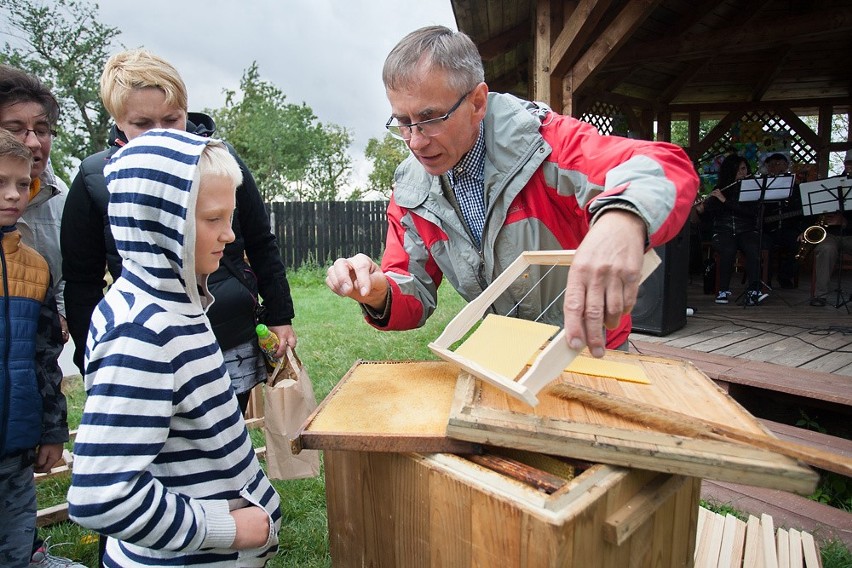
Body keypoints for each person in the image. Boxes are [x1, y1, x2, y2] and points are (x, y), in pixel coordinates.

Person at [325, 26, 697, 357]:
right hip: (505, 358)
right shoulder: (411, 191)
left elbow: (665, 167)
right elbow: (413, 293)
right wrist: (377, 293)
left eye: (430, 119)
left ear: (477, 102)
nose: (416, 142)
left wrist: (622, 219)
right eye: (403, 123)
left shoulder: (545, 145)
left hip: (592, 356)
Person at [67, 129, 281, 566]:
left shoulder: (181, 303)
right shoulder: (142, 332)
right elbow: (100, 496)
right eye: (212, 219)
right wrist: (223, 528)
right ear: (159, 220)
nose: (229, 235)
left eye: (231, 218)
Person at [61, 49, 295, 413]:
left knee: (223, 435)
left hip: (229, 333)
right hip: (149, 348)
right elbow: (80, 280)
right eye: (143, 124)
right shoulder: (95, 179)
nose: (161, 135)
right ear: (119, 120)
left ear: (186, 111)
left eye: (172, 119)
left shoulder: (221, 163)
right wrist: (90, 358)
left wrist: (280, 316)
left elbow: (262, 242)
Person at [0, 64, 84, 568]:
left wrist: (51, 428)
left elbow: (45, 343)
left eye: (43, 129)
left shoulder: (56, 199)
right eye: (16, 128)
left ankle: (26, 551)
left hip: (19, 415)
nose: (33, 141)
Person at [700, 153, 766, 306]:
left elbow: (751, 213)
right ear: (731, 171)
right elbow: (710, 216)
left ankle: (754, 290)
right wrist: (701, 209)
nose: (744, 173)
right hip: (724, 230)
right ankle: (723, 290)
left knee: (753, 247)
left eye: (745, 169)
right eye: (739, 170)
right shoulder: (720, 188)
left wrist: (725, 201)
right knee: (727, 250)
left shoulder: (752, 189)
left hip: (746, 229)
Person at [809, 149, 852, 306]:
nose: (850, 166)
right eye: (848, 163)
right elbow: (814, 209)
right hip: (831, 234)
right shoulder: (830, 184)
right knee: (825, 249)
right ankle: (821, 295)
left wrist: (846, 222)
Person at [760, 152, 802, 289]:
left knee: (799, 246)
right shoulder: (762, 185)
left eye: (780, 165)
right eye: (772, 165)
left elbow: (801, 209)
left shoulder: (795, 187)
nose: (776, 168)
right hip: (766, 229)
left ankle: (785, 275)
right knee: (765, 245)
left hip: (788, 229)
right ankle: (765, 279)